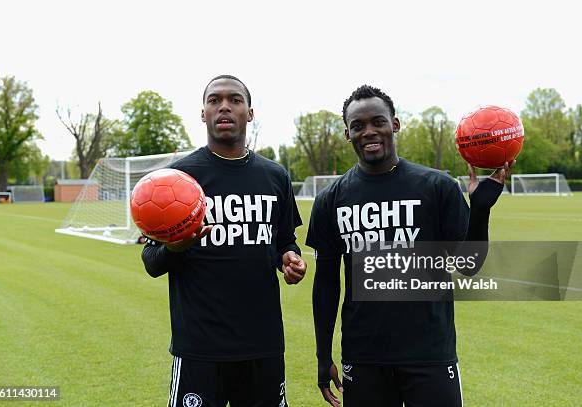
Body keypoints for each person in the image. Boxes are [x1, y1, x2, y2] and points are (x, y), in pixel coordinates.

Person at [307, 85, 513, 407]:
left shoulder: (437, 187)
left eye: (378, 121)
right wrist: (323, 355)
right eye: (358, 126)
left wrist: (481, 212)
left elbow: (469, 266)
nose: (369, 131)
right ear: (348, 133)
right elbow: (326, 283)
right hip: (363, 357)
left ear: (396, 124)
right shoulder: (330, 200)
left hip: (430, 354)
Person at [142, 75, 306, 407]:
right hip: (200, 347)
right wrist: (177, 245)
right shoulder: (177, 179)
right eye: (214, 100)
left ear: (250, 112)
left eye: (235, 99)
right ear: (203, 113)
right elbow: (151, 262)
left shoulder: (275, 176)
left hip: (263, 344)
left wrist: (290, 259)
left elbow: (284, 242)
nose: (225, 106)